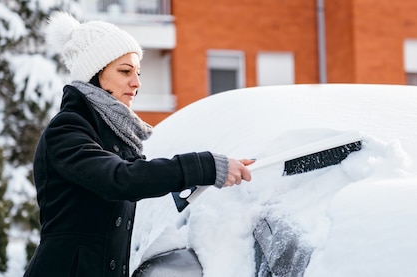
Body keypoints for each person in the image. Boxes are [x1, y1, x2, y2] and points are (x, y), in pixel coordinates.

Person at [23, 12, 253, 277]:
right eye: (125, 71)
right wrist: (205, 166)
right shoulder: (67, 130)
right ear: (94, 74)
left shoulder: (114, 135)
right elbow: (121, 179)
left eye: (138, 72)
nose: (137, 83)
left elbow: (142, 179)